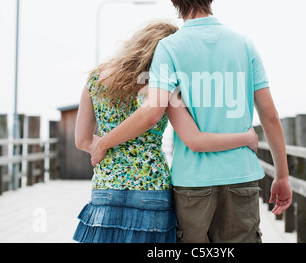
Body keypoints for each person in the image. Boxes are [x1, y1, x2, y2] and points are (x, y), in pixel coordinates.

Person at [89, 0, 293, 243]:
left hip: (192, 183)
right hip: (241, 176)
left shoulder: (170, 48)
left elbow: (151, 113)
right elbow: (269, 116)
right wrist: (282, 175)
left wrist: (102, 142)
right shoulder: (244, 44)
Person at [73, 20, 259, 243]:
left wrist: (102, 145)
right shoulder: (162, 87)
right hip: (151, 188)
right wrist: (247, 137)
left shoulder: (96, 79)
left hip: (106, 188)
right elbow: (194, 139)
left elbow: (82, 140)